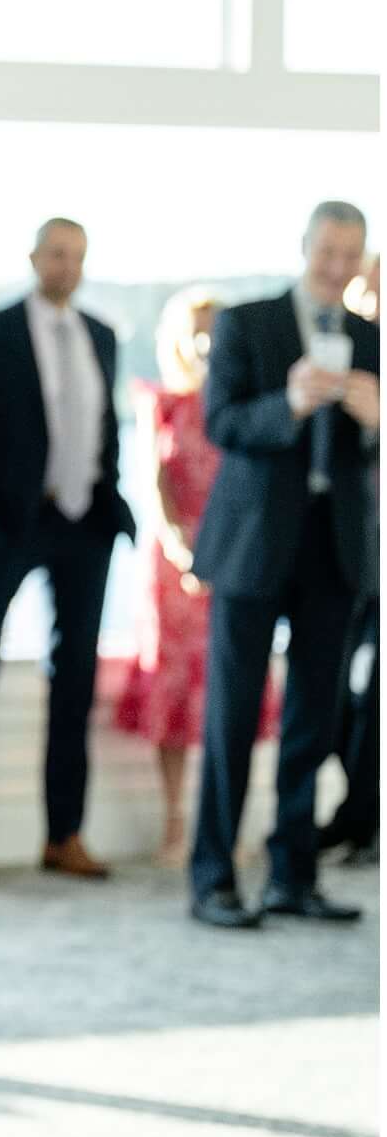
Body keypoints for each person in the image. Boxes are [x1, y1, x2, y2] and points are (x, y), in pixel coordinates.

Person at [190, 207, 375, 934]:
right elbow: (221, 423)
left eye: (351, 254)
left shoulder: (370, 339)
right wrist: (289, 403)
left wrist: (377, 417)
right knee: (233, 717)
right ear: (306, 249)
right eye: (328, 250)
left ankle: (293, 877)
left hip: (336, 551)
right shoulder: (247, 323)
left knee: (312, 719)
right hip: (253, 547)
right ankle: (214, 879)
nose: (337, 265)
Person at [0, 221, 128, 885]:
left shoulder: (101, 335)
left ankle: (65, 834)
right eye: (56, 253)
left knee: (75, 679)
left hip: (83, 524)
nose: (66, 265)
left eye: (77, 255)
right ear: (33, 258)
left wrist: (112, 503)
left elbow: (103, 428)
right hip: (4, 526)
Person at [108, 291, 225, 869]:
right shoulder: (163, 403)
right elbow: (151, 481)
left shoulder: (238, 403)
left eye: (214, 331)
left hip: (231, 558)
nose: (204, 342)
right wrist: (182, 547)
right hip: (173, 564)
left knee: (226, 695)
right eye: (194, 330)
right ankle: (175, 824)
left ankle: (220, 824)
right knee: (175, 696)